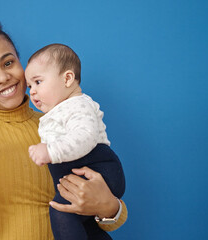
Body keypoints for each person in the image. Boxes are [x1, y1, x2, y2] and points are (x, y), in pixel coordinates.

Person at [0, 7, 128, 240]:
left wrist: (108, 207)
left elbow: (109, 217)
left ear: (21, 63)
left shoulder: (58, 124)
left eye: (8, 63)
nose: (3, 77)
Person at [25, 44, 125, 240]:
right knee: (86, 227)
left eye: (38, 82)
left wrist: (50, 151)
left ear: (68, 78)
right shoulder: (59, 109)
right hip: (79, 173)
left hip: (100, 168)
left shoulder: (77, 105)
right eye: (29, 86)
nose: (32, 92)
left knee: (62, 211)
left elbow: (84, 137)